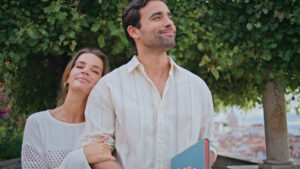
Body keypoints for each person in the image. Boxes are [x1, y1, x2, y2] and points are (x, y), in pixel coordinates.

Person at [83, 0, 217, 168]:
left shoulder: (198, 87)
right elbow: (98, 154)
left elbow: (209, 146)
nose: (169, 23)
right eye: (157, 17)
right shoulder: (107, 87)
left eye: (169, 17)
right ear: (134, 31)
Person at [21, 48, 116, 169]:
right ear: (67, 77)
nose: (85, 71)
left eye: (95, 71)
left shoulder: (101, 129)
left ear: (101, 85)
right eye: (80, 66)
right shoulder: (37, 123)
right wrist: (82, 157)